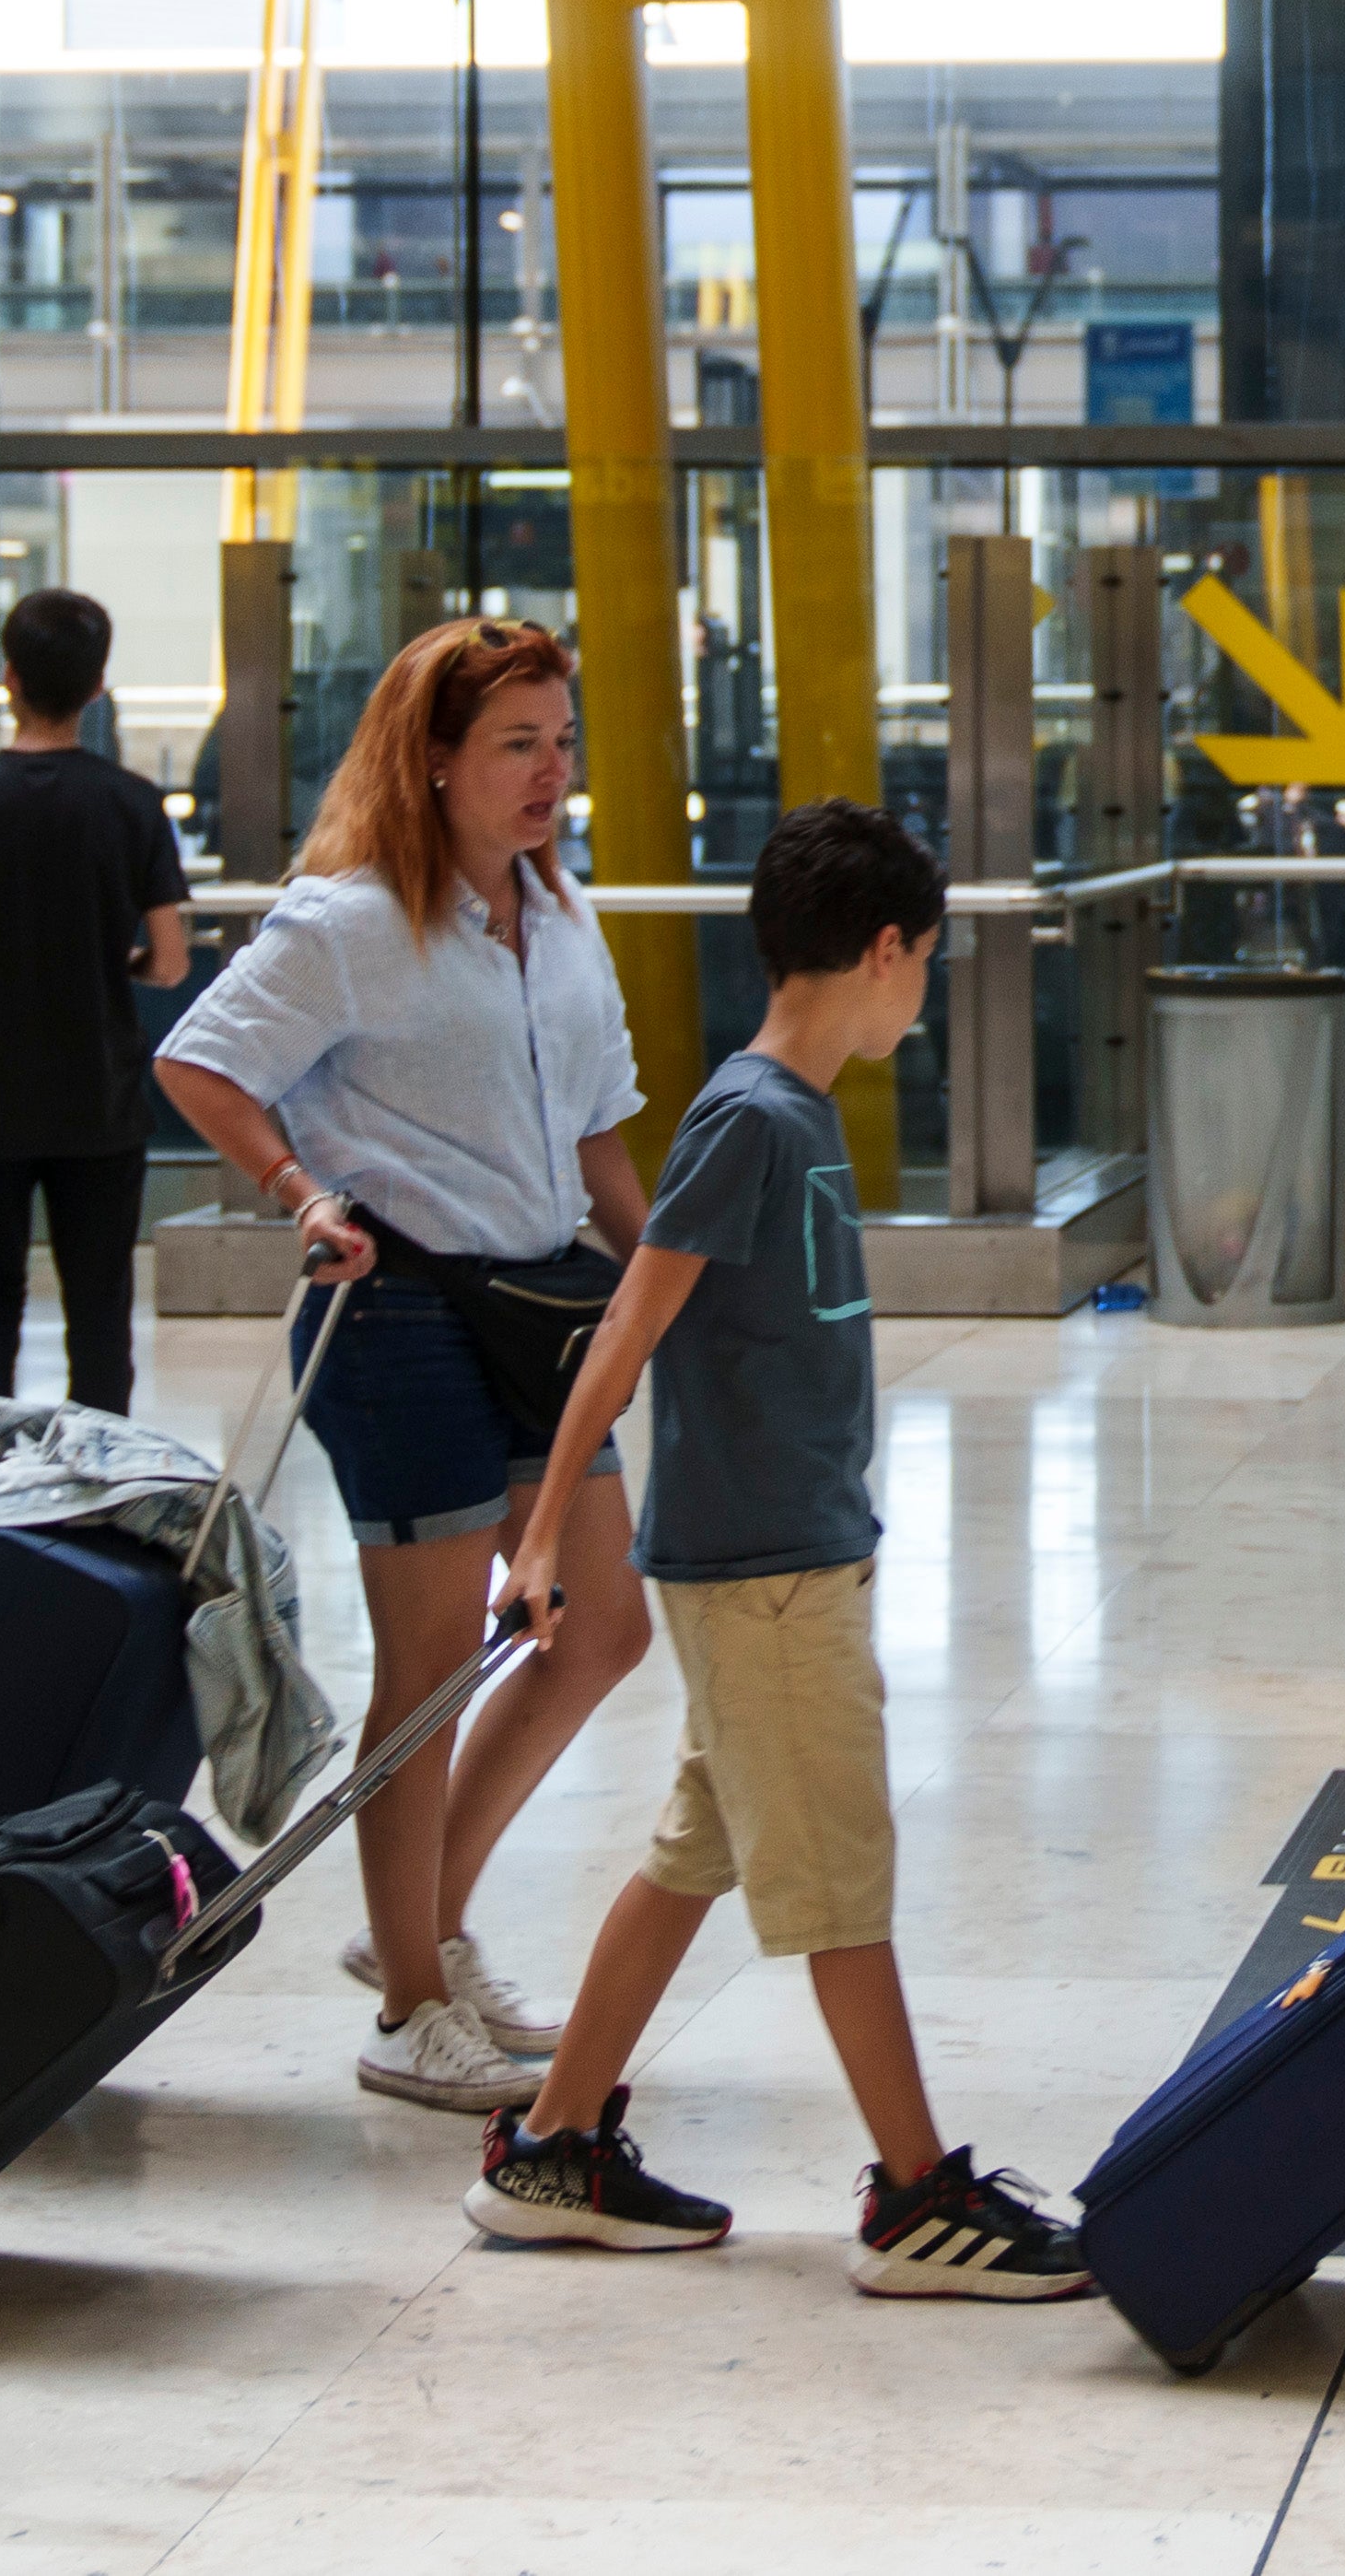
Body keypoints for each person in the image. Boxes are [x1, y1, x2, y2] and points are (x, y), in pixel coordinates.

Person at [465, 802, 1094, 2299]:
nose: (922, 988)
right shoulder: (750, 1117)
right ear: (881, 951)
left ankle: (553, 2146)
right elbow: (628, 1326)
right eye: (923, 958)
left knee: (698, 1855)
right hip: (760, 1576)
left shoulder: (794, 1115)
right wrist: (544, 1533)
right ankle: (917, 2199)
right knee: (836, 1878)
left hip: (792, 1549)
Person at [156, 616, 656, 2113]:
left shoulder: (558, 916)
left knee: (601, 1625)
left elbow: (598, 1133)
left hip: (540, 1305)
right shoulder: (351, 918)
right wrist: (298, 1190)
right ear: (432, 759)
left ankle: (417, 1925)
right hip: (400, 1314)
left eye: (560, 741)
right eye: (516, 744)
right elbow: (197, 1060)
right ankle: (409, 2009)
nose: (549, 772)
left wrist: (669, 1277)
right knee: (431, 1669)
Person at [0, 584, 193, 1420]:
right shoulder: (134, 803)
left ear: (9, 677)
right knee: (99, 1308)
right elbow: (171, 961)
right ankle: (101, 1481)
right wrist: (116, 962)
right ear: (97, 686)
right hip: (99, 1094)